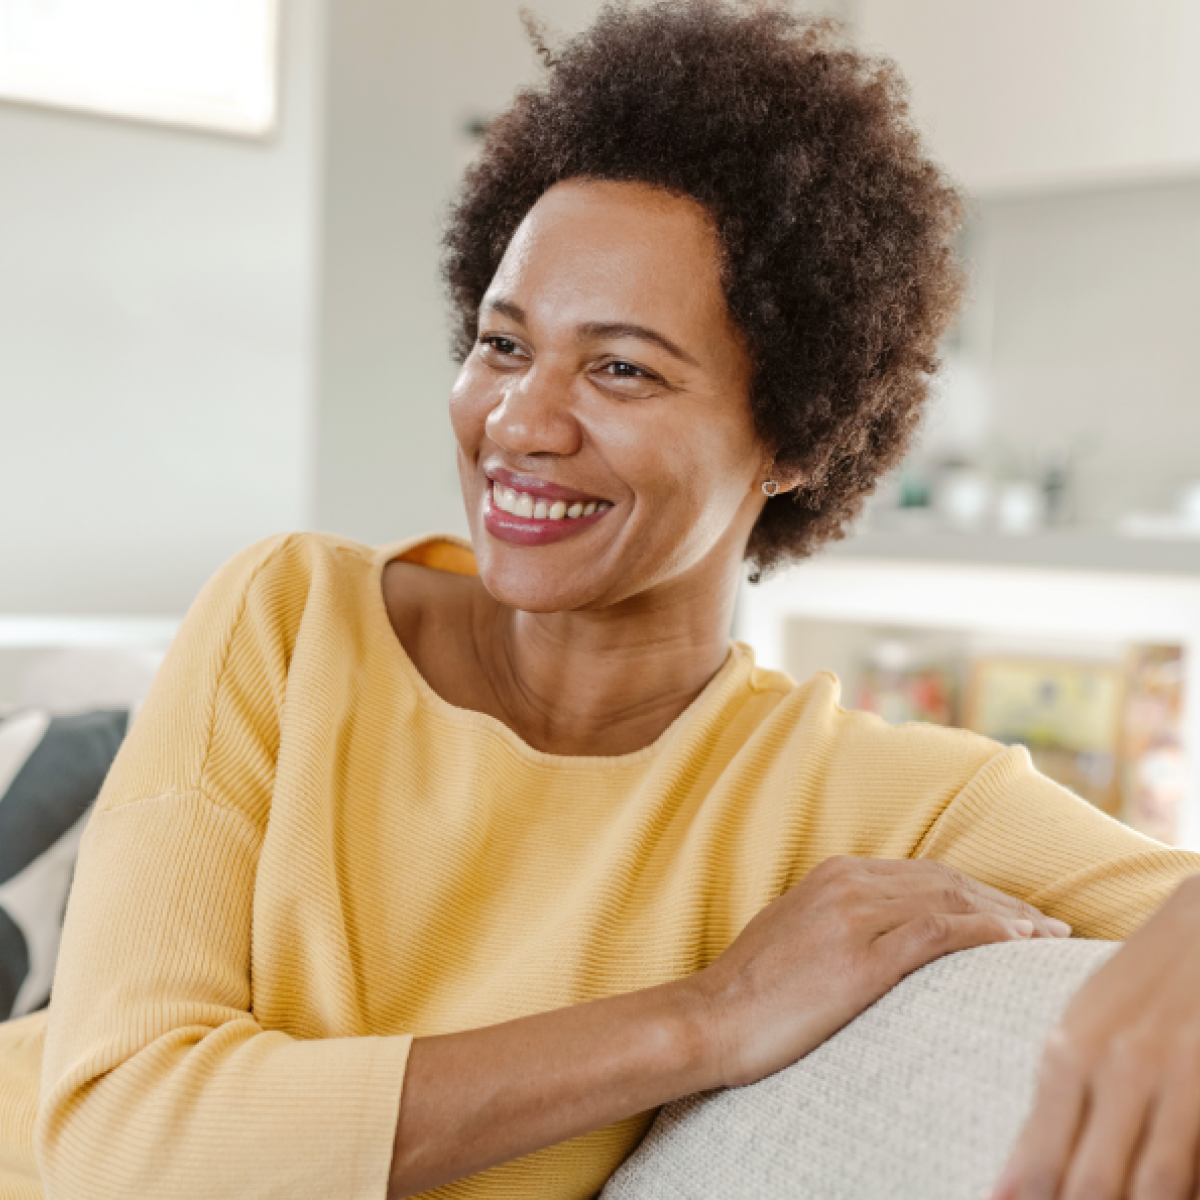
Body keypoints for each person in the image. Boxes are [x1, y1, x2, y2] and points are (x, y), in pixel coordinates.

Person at [2, 4, 1199, 1198]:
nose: (519, 423)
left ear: (796, 436)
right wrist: (705, 1019)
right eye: (504, 344)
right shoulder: (291, 619)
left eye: (622, 367)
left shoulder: (879, 798)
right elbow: (125, 1145)